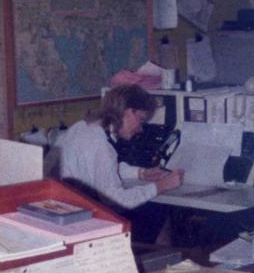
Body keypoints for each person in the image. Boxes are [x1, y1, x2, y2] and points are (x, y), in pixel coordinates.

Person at [55, 84, 185, 242]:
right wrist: (161, 186)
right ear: (128, 111)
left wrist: (140, 173)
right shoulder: (101, 145)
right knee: (158, 210)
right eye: (141, 120)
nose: (140, 129)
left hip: (66, 212)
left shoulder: (82, 128)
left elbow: (99, 167)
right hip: (86, 222)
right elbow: (119, 199)